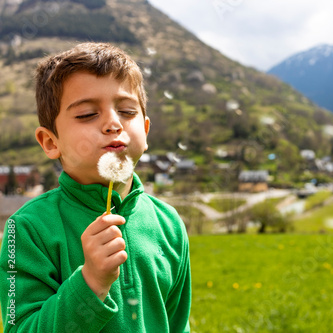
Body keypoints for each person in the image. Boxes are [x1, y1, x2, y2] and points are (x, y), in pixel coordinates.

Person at [0, 42, 191, 332]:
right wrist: (90, 283)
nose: (114, 123)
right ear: (51, 142)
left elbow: (177, 325)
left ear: (146, 129)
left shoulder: (170, 225)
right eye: (88, 114)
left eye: (127, 111)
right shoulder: (24, 230)